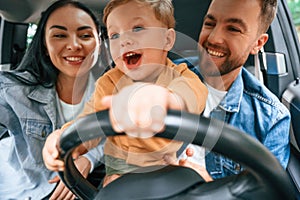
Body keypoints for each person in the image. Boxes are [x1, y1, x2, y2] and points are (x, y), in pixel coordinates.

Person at [42, 0, 209, 187]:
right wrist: (62, 138)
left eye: (137, 29)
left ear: (167, 40)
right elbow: (88, 123)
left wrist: (166, 101)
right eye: (114, 35)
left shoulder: (182, 77)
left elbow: (191, 95)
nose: (124, 40)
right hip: (118, 176)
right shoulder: (108, 82)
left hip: (168, 170)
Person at [0, 0, 106, 199]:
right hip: (21, 189)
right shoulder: (14, 89)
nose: (74, 45)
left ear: (99, 42)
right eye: (59, 35)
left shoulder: (113, 89)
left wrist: (88, 159)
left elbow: (115, 134)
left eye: (85, 35)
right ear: (45, 45)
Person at [194, 0, 290, 179]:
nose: (213, 38)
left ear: (258, 43)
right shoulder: (161, 78)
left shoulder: (271, 119)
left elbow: (264, 193)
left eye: (233, 29)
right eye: (210, 23)